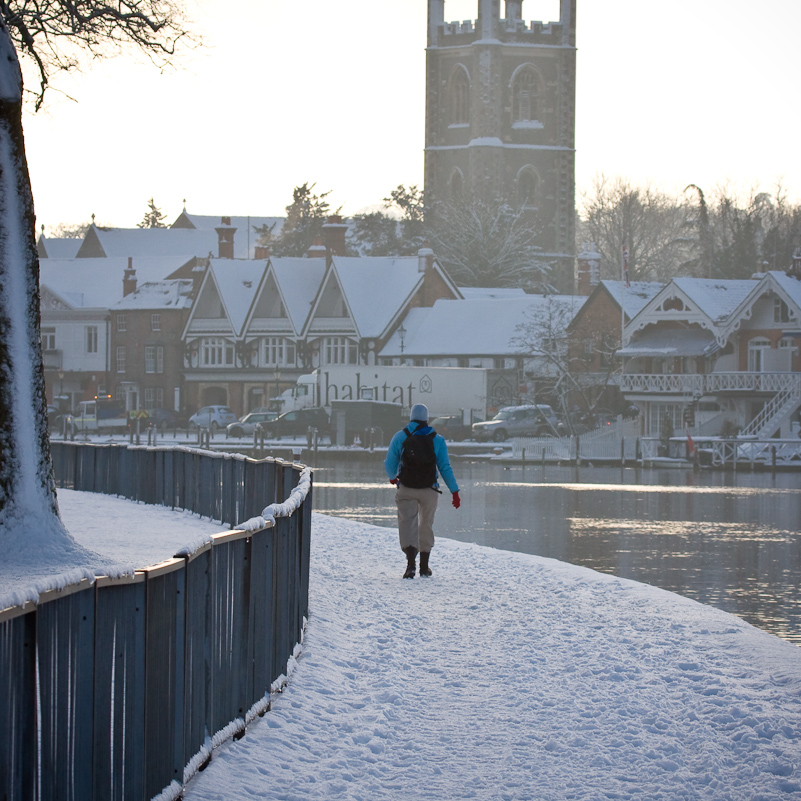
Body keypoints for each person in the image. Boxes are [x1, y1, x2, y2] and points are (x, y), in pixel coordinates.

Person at [384, 403, 461, 579]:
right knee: (426, 524)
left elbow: (389, 463)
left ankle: (410, 565)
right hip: (429, 489)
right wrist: (455, 492)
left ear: (411, 417)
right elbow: (445, 468)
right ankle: (424, 567)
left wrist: (393, 477)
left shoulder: (400, 436)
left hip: (406, 488)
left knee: (407, 523)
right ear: (427, 418)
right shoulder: (437, 439)